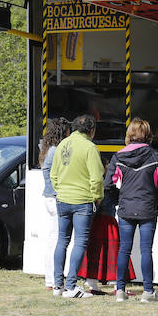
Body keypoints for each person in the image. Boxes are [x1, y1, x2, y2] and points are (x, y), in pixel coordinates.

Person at [104, 118, 158, 302]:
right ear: (148, 135)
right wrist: (157, 199)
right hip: (147, 209)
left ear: (129, 135)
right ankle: (148, 291)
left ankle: (120, 290)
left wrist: (118, 199)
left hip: (126, 207)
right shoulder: (155, 156)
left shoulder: (118, 157)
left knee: (123, 250)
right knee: (146, 250)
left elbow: (108, 184)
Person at [50, 114, 105, 298]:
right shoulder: (90, 147)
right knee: (80, 243)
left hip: (62, 199)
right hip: (82, 201)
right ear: (92, 131)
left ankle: (57, 285)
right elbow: (97, 178)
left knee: (62, 241)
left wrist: (61, 190)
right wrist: (97, 197)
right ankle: (71, 286)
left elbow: (53, 175)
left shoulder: (62, 145)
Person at [39, 118, 69, 291]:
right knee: (56, 240)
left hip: (49, 197)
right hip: (55, 197)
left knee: (53, 239)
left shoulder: (47, 149)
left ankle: (51, 279)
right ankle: (53, 279)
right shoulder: (56, 151)